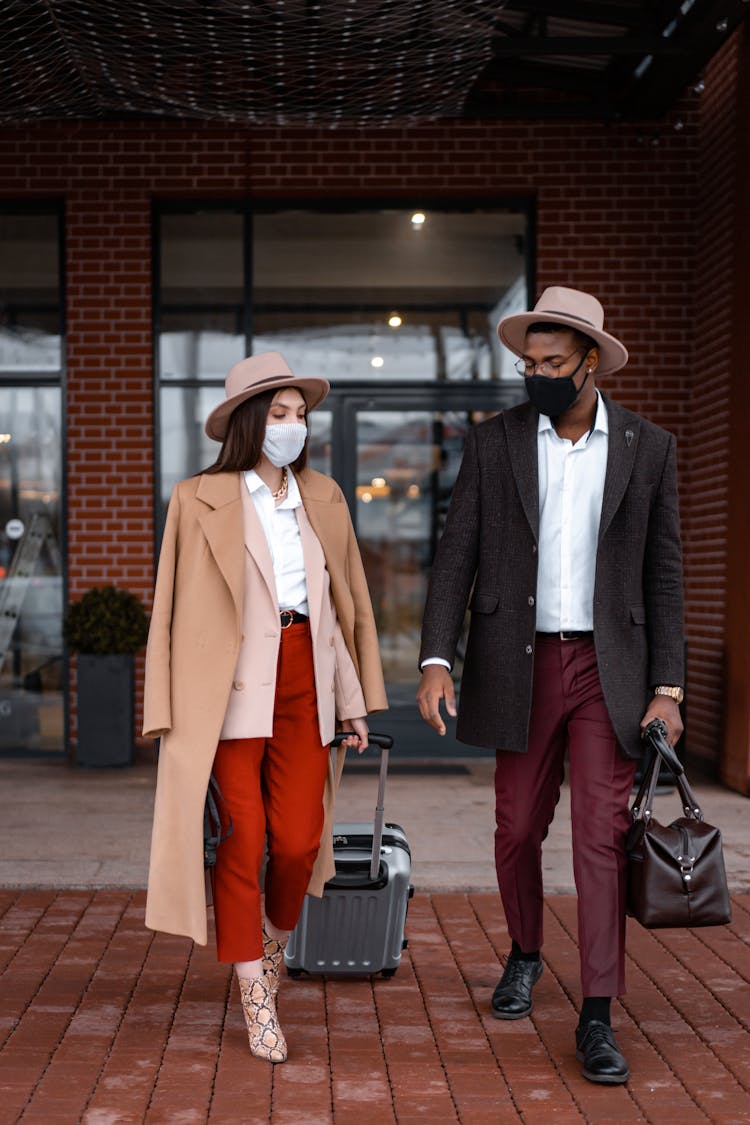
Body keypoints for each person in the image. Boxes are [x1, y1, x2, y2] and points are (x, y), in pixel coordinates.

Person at [417, 287, 684, 1085]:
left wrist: (668, 683)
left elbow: (664, 575)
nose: (537, 374)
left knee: (600, 837)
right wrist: (437, 657)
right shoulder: (495, 442)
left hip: (611, 669)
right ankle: (526, 950)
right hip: (517, 661)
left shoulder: (648, 446)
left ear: (590, 362)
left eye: (552, 363)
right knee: (515, 826)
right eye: (528, 363)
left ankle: (598, 1009)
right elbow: (455, 551)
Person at [143, 351, 387, 1064]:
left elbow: (346, 608)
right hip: (224, 687)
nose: (294, 427)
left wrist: (354, 702)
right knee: (243, 837)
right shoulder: (197, 497)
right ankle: (255, 992)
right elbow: (167, 609)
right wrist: (164, 707)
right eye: (279, 414)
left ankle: (271, 955)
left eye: (301, 414)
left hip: (304, 674)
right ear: (250, 423)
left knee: (303, 840)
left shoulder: (326, 497)